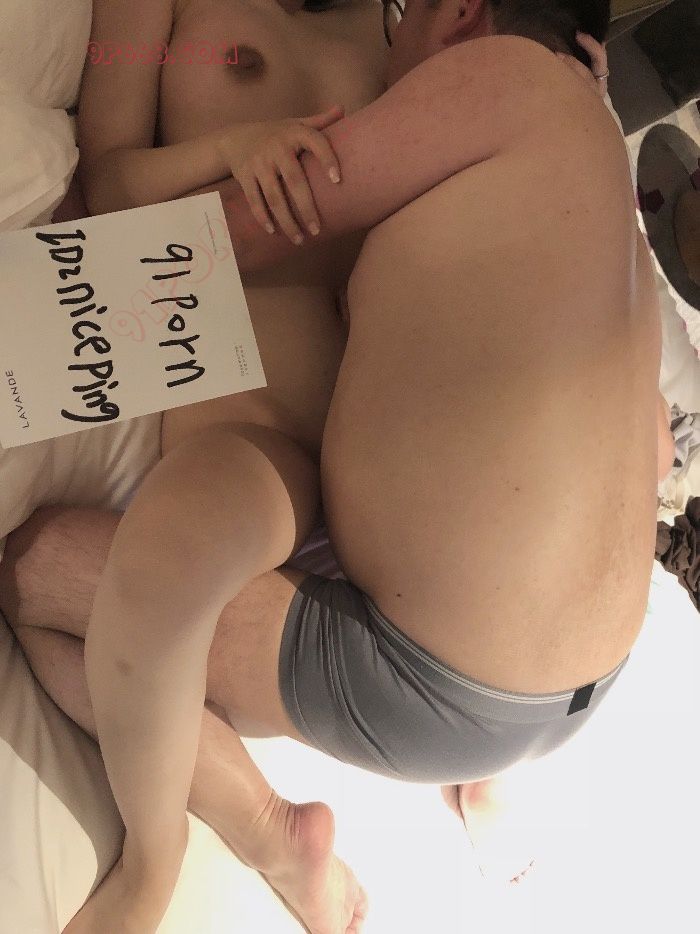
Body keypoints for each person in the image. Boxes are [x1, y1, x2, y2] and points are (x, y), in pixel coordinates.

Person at [0, 3, 674, 933]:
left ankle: (473, 770)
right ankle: (189, 851)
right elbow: (109, 191)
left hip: (380, 472)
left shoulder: (402, 37)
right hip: (258, 428)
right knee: (157, 564)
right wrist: (231, 148)